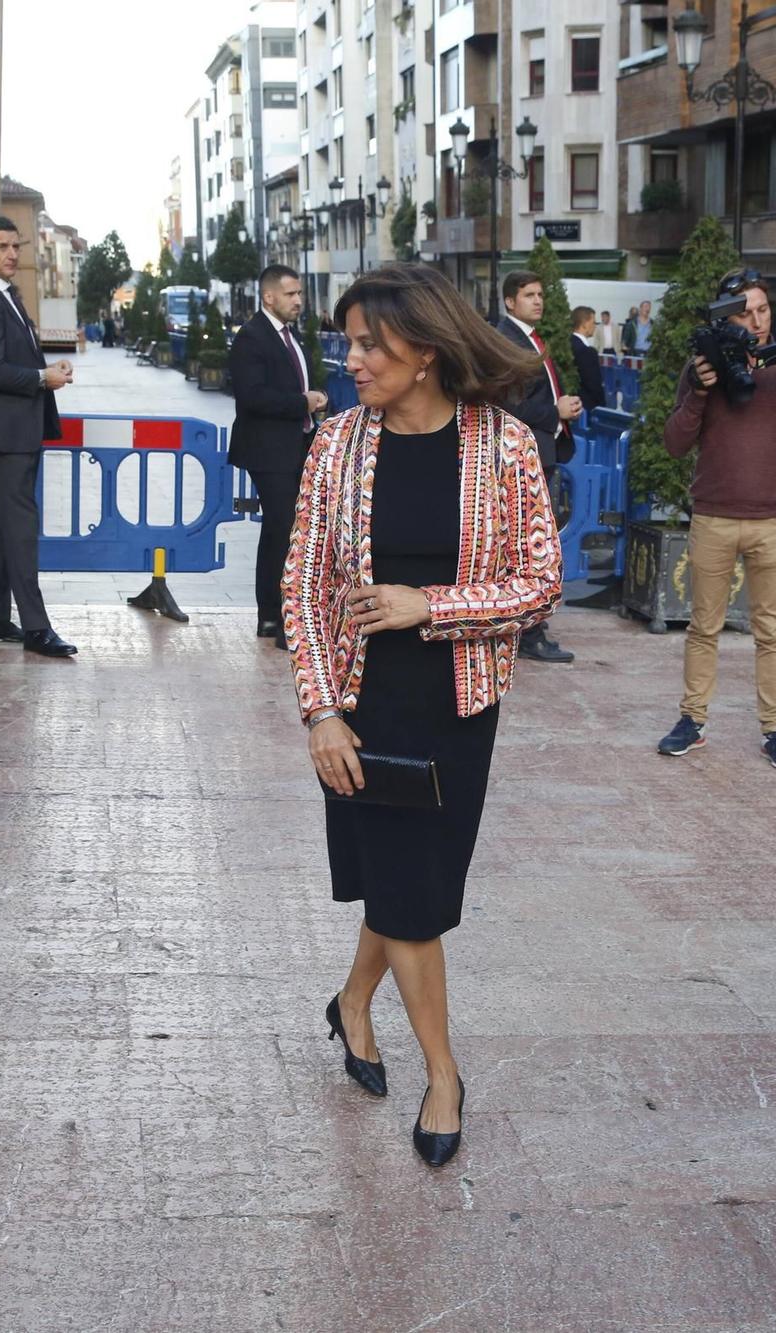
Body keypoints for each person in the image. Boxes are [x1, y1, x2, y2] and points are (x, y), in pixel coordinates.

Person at [284, 263, 559, 1169]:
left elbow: (539, 582)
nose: (352, 359)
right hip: (361, 704)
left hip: (456, 705)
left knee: (412, 887)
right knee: (408, 898)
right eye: (349, 341)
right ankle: (445, 1073)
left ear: (426, 353)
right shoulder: (335, 445)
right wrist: (321, 710)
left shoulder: (506, 446)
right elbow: (305, 586)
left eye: (370, 343)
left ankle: (354, 1004)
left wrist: (427, 606)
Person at [655, 271, 776, 770]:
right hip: (713, 516)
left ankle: (775, 729)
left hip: (773, 520)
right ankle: (692, 720)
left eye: (763, 310)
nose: (757, 321)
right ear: (725, 318)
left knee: (771, 632)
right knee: (703, 627)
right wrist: (698, 391)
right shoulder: (703, 369)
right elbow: (674, 443)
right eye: (745, 312)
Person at [0, 215, 75, 658]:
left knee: (5, 524)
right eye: (2, 246)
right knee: (22, 528)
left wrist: (48, 372)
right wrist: (41, 378)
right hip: (4, 433)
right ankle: (36, 628)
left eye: (15, 246)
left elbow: (14, 356)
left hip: (15, 429)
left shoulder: (2, 294)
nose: (11, 254)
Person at [227, 264, 328, 647]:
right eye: (290, 294)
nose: (299, 300)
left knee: (282, 531)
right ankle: (280, 618)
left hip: (297, 443)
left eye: (300, 294)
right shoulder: (252, 337)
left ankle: (272, 615)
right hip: (268, 449)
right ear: (269, 296)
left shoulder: (291, 335)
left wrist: (311, 400)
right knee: (285, 528)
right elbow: (252, 396)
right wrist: (301, 402)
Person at [494, 270, 582, 664]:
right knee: (529, 547)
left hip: (543, 451)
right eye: (529, 295)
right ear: (510, 301)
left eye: (540, 294)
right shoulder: (506, 340)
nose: (538, 301)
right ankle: (529, 632)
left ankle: (528, 626)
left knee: (534, 544)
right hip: (523, 456)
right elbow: (507, 405)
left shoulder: (530, 338)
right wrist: (554, 412)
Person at [570, 306, 605, 413]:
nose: (595, 326)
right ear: (584, 323)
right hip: (587, 408)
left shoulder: (567, 344)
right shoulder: (587, 352)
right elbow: (594, 386)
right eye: (593, 322)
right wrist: (602, 406)